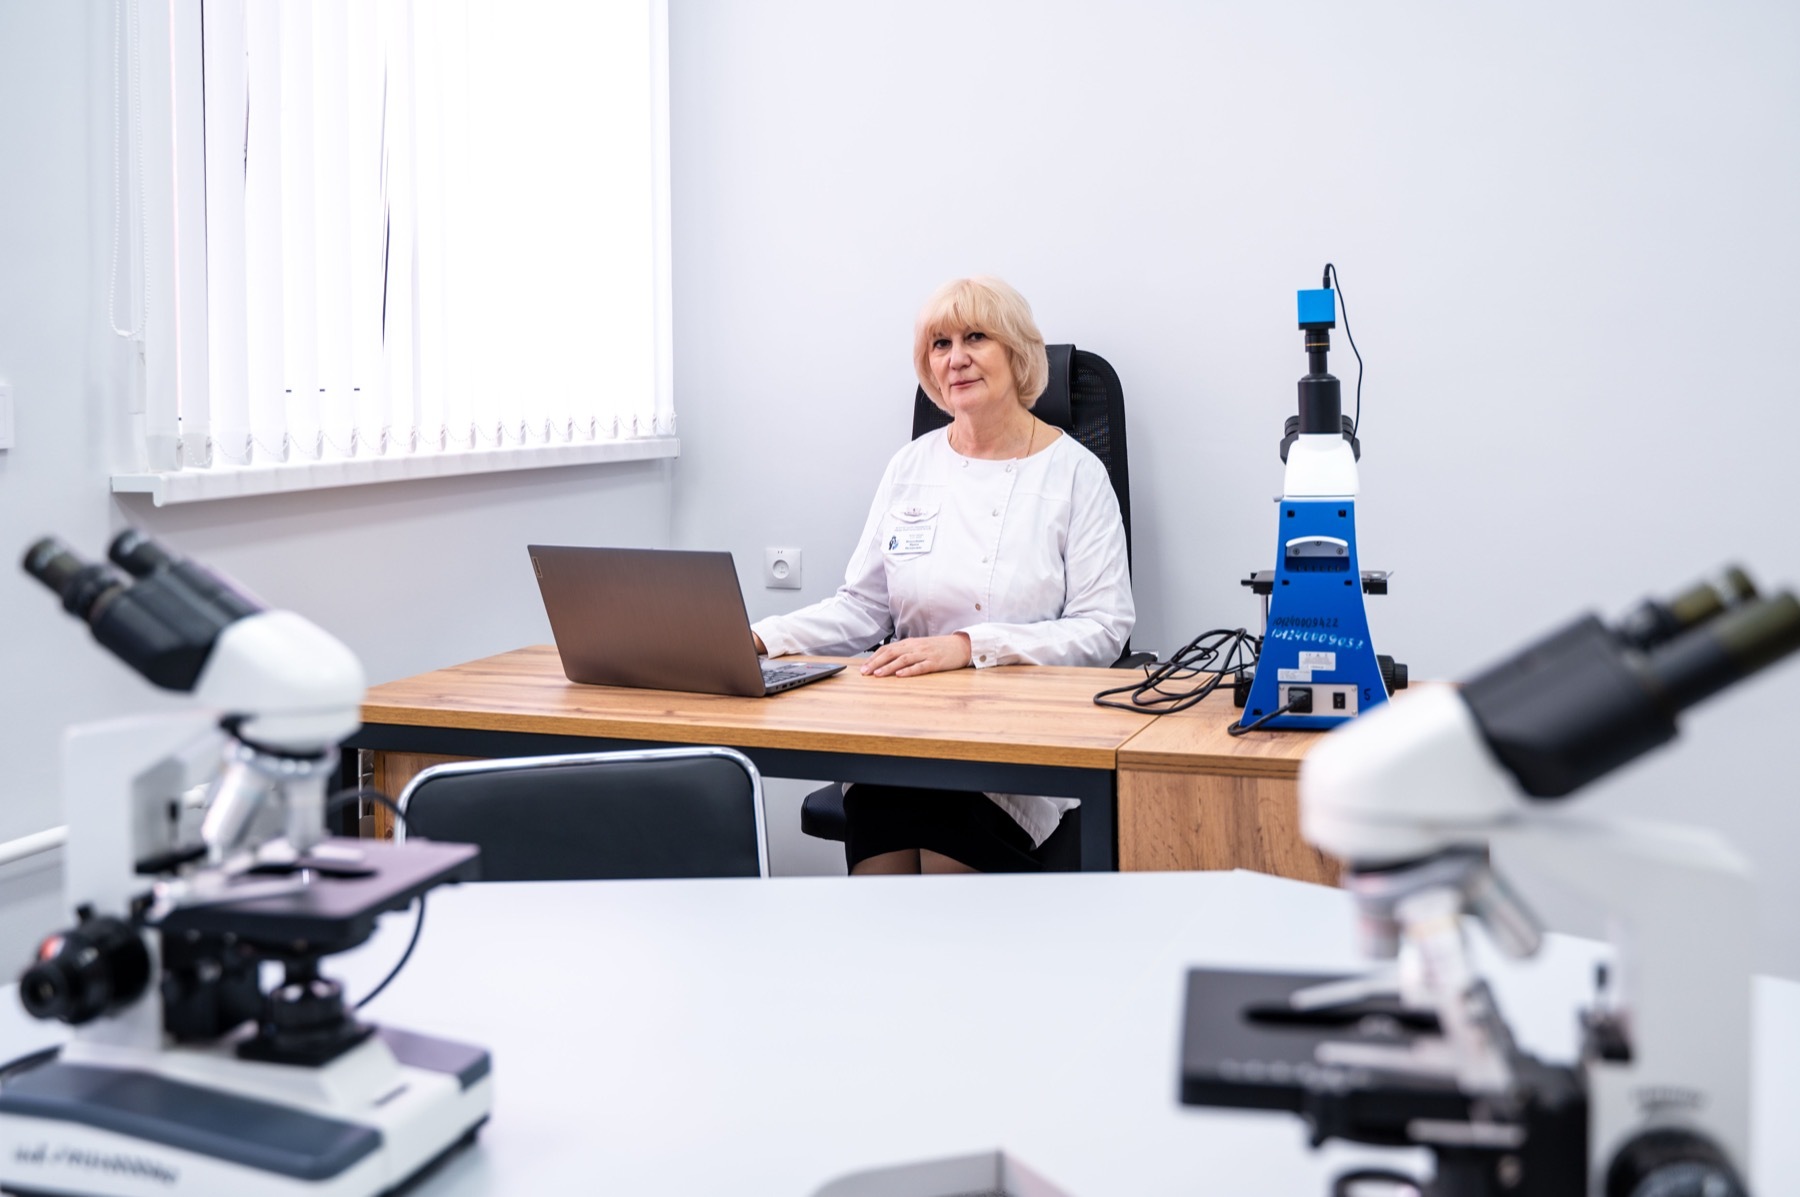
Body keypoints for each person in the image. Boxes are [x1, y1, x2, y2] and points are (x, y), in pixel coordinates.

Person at [751, 276, 1135, 875]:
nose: (955, 358)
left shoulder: (1075, 474)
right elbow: (862, 607)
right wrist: (760, 637)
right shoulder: (911, 465)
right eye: (940, 344)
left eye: (975, 337)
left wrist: (968, 647)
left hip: (1019, 736)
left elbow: (1104, 626)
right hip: (905, 729)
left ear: (1016, 351)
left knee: (946, 856)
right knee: (882, 820)